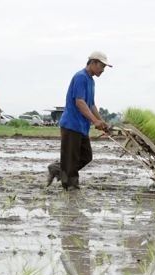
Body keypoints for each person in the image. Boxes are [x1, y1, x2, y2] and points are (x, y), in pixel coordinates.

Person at [46, 51, 112, 191]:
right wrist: (94, 121)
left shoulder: (91, 81)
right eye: (102, 66)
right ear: (93, 62)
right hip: (72, 124)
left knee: (86, 156)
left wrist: (101, 121)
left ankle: (57, 168)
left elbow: (91, 104)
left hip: (82, 126)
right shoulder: (81, 77)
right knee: (72, 158)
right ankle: (71, 186)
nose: (103, 70)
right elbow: (80, 102)